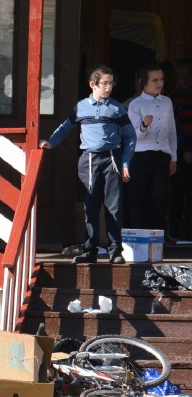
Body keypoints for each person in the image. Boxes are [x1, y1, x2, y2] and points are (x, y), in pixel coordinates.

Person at [39, 64, 136, 264]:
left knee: (114, 207)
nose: (109, 88)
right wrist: (51, 142)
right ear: (93, 84)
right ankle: (90, 250)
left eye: (111, 84)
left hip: (112, 159)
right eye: (105, 83)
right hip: (89, 159)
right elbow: (65, 127)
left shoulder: (117, 108)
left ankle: (115, 251)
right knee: (90, 206)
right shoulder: (81, 107)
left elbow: (130, 136)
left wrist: (125, 162)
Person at [126, 62, 177, 231]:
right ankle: (139, 236)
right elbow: (132, 136)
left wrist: (174, 157)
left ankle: (156, 235)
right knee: (138, 197)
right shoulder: (136, 104)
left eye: (161, 79)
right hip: (140, 156)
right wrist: (143, 126)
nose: (159, 83)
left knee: (160, 196)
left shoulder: (167, 102)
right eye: (154, 80)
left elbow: (171, 131)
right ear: (143, 82)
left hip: (161, 155)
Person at [168, 59, 192, 241]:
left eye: (188, 76)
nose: (185, 80)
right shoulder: (172, 99)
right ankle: (174, 231)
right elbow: (173, 127)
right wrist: (184, 150)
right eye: (181, 77)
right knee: (177, 193)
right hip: (179, 154)